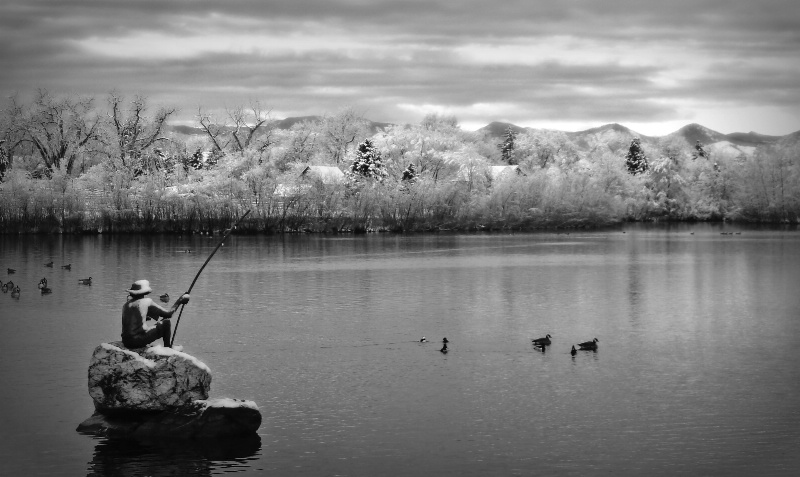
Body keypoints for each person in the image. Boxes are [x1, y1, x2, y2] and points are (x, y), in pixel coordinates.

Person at [121, 280, 189, 348]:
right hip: (137, 341)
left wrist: (144, 318)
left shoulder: (126, 305)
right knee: (166, 323)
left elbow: (131, 321)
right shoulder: (146, 302)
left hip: (126, 342)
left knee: (154, 325)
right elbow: (169, 314)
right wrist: (180, 301)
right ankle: (168, 347)